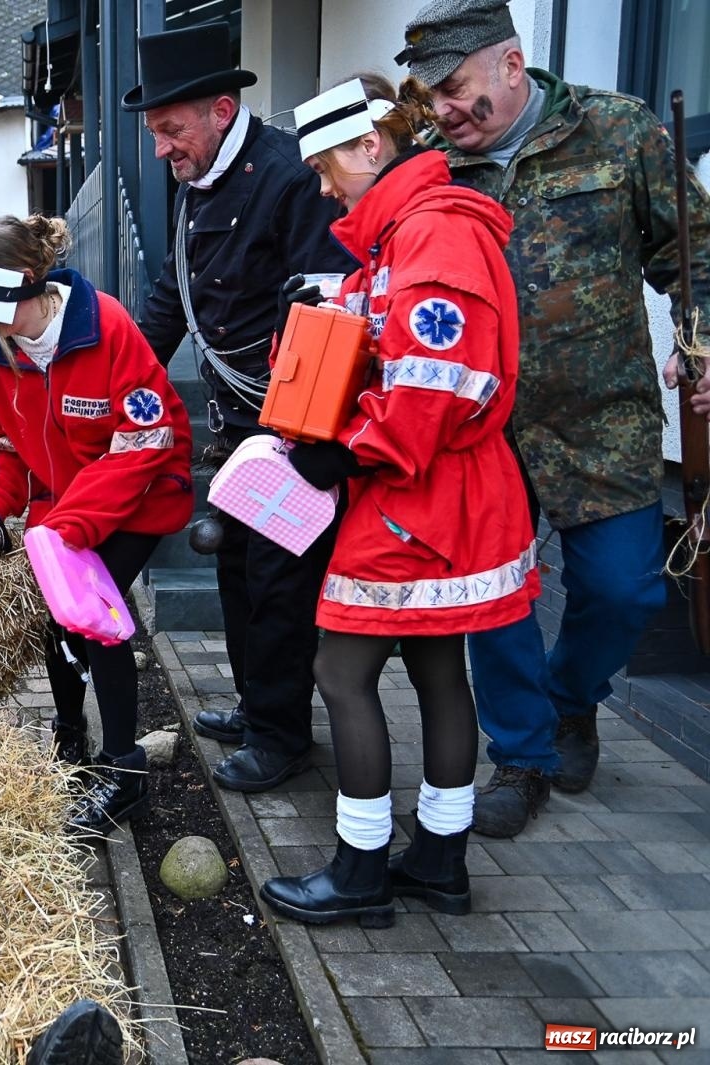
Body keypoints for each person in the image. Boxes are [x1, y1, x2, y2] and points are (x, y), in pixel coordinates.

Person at [397, 0, 710, 837]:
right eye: (432, 97)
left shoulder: (618, 131)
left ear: (510, 61)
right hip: (482, 432)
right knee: (496, 601)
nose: (446, 110)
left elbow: (695, 254)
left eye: (457, 87)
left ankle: (571, 701)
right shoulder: (429, 167)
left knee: (627, 590)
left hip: (602, 423)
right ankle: (522, 754)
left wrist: (701, 341)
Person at [255, 76, 538, 927]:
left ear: (370, 148)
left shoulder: (430, 239)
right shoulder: (422, 234)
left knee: (341, 672)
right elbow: (411, 352)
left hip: (416, 494)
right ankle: (440, 861)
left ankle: (361, 869)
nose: (321, 185)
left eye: (325, 167)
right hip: (448, 493)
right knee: (439, 669)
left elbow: (429, 393)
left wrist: (342, 453)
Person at [125, 21, 354, 793]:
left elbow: (327, 315)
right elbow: (171, 293)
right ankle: (259, 705)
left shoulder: (290, 177)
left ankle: (282, 734)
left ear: (222, 110)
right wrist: (128, 373)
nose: (161, 148)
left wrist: (304, 433)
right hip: (235, 428)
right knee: (236, 575)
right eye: (156, 133)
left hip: (290, 427)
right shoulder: (197, 185)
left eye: (170, 129)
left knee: (281, 586)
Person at [0, 214, 194, 835]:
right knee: (51, 613)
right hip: (62, 512)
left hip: (138, 496)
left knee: (95, 615)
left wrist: (68, 530)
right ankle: (69, 738)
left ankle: (125, 770)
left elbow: (147, 440)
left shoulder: (106, 327)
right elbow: (9, 451)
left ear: (29, 285)